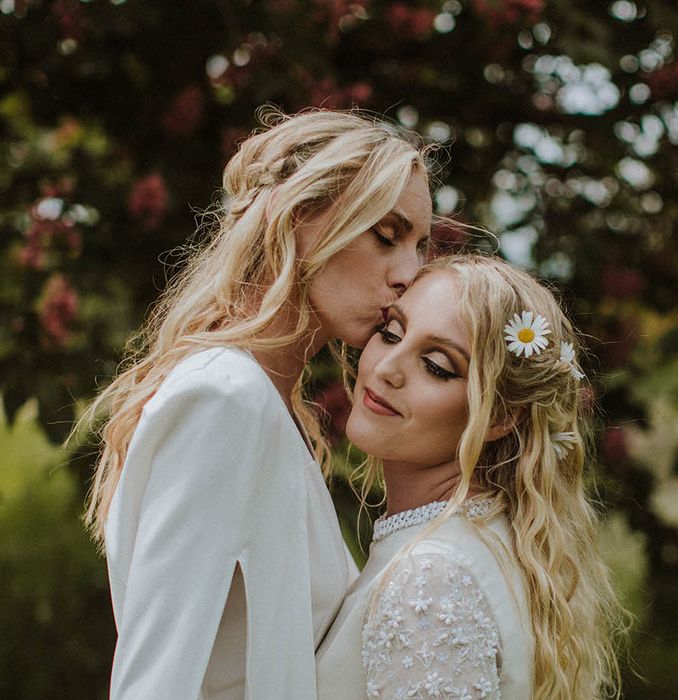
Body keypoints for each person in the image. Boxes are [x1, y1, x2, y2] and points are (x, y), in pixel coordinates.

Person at [82, 108, 433, 699]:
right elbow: (156, 682)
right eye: (387, 235)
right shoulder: (223, 400)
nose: (409, 274)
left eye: (420, 246)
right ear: (299, 216)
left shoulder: (273, 410)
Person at [316, 254, 626, 700]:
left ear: (499, 416)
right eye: (391, 333)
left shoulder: (430, 576)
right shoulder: (492, 542)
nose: (386, 367)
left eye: (437, 365)